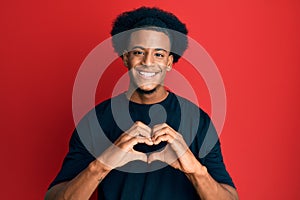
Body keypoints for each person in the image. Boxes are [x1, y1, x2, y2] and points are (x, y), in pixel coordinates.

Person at [45, 7, 239, 200]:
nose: (148, 61)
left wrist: (196, 172)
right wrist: (101, 165)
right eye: (138, 52)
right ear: (125, 58)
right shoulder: (97, 120)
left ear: (169, 62)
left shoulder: (197, 121)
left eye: (159, 54)